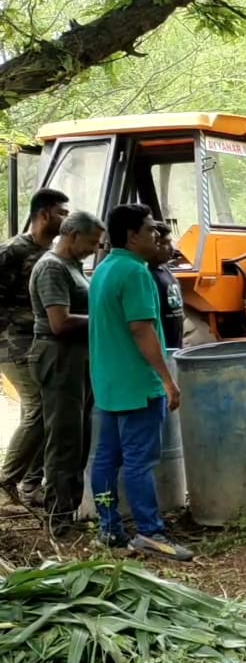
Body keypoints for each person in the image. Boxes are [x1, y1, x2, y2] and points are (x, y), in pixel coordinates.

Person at [88, 203, 193, 562]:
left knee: (106, 458)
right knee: (138, 462)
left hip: (108, 384)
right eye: (150, 230)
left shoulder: (103, 269)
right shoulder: (136, 273)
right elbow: (141, 329)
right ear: (132, 236)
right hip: (137, 384)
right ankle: (150, 532)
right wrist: (167, 380)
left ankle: (109, 527)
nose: (156, 235)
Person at [28, 211, 104, 535]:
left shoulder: (72, 266)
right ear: (72, 236)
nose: (94, 249)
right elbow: (59, 323)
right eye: (91, 242)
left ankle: (68, 510)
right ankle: (57, 519)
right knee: (63, 440)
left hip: (77, 358)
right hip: (59, 358)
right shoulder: (51, 268)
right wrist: (105, 320)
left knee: (79, 436)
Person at [0, 188, 69, 507]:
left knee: (49, 408)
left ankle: (30, 484)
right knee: (38, 407)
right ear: (43, 215)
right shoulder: (13, 251)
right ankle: (7, 480)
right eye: (61, 213)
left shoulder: (53, 256)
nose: (66, 219)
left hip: (40, 344)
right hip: (12, 344)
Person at [148, 223, 183, 351]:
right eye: (165, 243)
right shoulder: (146, 275)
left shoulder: (165, 270)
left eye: (171, 242)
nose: (171, 248)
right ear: (153, 244)